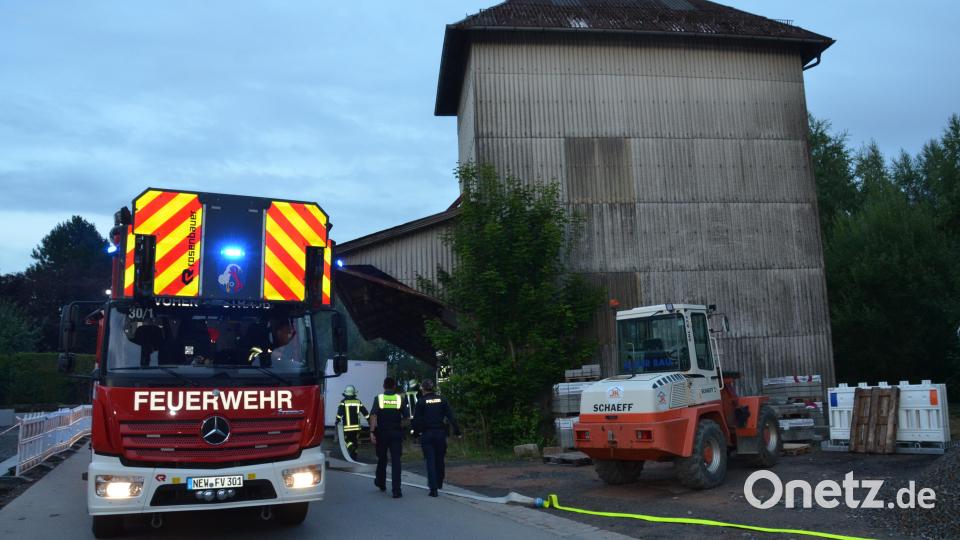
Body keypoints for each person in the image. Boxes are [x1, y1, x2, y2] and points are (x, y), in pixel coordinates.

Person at [412, 379, 460, 497]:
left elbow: (416, 420)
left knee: (430, 460)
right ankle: (439, 482)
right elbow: (450, 416)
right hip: (440, 433)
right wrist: (457, 431)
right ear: (432, 388)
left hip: (427, 434)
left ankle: (433, 489)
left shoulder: (421, 402)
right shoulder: (442, 399)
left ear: (423, 389)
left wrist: (416, 434)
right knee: (440, 459)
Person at [368, 377, 408, 498]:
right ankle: (397, 490)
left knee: (382, 459)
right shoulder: (399, 399)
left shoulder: (379, 398)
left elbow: (374, 416)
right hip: (396, 433)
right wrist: (401, 428)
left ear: (383, 386)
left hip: (382, 434)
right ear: (394, 386)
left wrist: (371, 432)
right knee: (396, 461)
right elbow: (406, 417)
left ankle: (381, 483)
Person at [335, 385, 369, 460]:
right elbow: (365, 412)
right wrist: (369, 420)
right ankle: (354, 455)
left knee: (346, 440)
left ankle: (351, 449)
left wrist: (337, 421)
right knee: (354, 441)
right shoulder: (358, 402)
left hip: (347, 427)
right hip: (356, 427)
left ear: (346, 393)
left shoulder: (343, 402)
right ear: (354, 393)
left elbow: (339, 413)